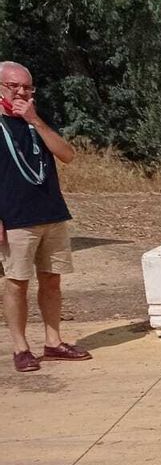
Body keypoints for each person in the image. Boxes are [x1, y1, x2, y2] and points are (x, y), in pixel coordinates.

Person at [0, 61, 86, 373]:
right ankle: (20, 347)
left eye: (27, 86)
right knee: (17, 283)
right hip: (15, 217)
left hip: (51, 213)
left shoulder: (35, 123)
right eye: (14, 86)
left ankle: (53, 341)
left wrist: (35, 119)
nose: (21, 91)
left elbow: (67, 155)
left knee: (52, 281)